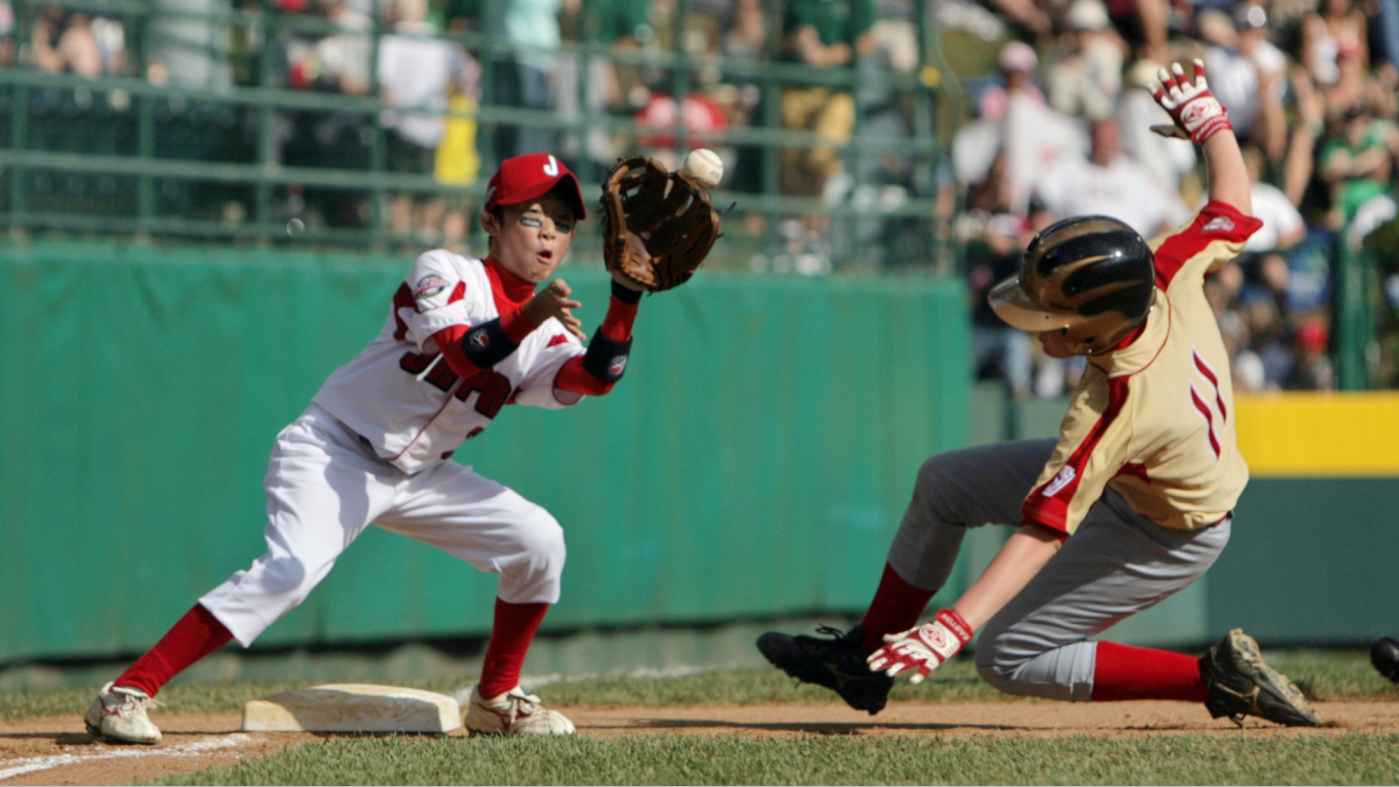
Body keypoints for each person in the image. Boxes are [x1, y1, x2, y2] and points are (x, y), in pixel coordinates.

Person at [757, 61, 1321, 728]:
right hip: (1137, 482)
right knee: (943, 484)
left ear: (1094, 326)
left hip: (1169, 528)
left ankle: (1215, 679)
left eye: (1053, 313)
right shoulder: (1163, 270)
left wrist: (952, 625)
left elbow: (1044, 529)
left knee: (1004, 652)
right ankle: (862, 661)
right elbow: (1233, 206)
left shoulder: (1117, 398)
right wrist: (1208, 122)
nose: (1037, 320)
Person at [84, 152, 646, 743]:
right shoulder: (446, 271)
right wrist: (530, 316)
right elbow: (463, 352)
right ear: (491, 220)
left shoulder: (549, 327)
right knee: (290, 573)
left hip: (423, 475)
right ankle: (125, 694)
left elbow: (596, 376)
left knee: (540, 542)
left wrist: (626, 296)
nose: (550, 234)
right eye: (533, 217)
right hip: (334, 450)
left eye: (562, 222)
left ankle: (496, 698)